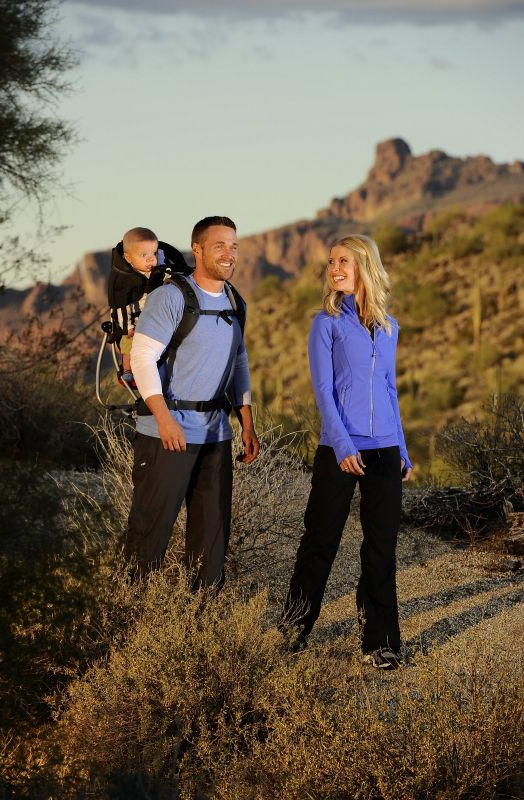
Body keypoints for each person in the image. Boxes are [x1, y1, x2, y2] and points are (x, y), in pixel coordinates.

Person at [282, 234, 412, 669]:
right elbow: (323, 390)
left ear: (364, 267)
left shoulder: (389, 327)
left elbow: (389, 390)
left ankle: (380, 641)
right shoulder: (327, 323)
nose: (334, 268)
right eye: (331, 262)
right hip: (340, 448)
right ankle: (291, 632)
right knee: (320, 542)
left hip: (384, 449)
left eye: (344, 261)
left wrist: (403, 450)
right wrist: (341, 445)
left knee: (381, 548)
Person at [124, 215, 259, 586]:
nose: (229, 254)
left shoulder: (235, 301)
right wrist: (164, 419)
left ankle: (203, 623)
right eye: (220, 246)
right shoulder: (171, 297)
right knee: (148, 535)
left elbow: (239, 361)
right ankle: (123, 618)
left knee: (211, 541)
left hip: (216, 436)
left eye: (234, 246)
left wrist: (246, 421)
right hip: (166, 433)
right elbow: (142, 358)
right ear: (197, 249)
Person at [107, 227, 189, 386]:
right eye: (144, 255)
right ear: (128, 258)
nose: (151, 259)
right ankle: (127, 370)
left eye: (154, 253)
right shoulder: (123, 278)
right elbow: (119, 306)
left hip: (159, 314)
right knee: (129, 342)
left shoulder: (161, 266)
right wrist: (127, 326)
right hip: (133, 317)